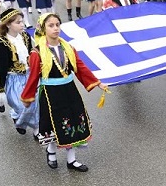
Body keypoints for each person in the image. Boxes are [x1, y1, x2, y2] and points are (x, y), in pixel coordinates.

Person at [21, 13, 107, 171]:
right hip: (50, 93)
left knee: (72, 122)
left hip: (69, 90)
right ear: (43, 29)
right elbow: (33, 76)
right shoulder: (37, 52)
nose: (55, 29)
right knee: (54, 123)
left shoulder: (68, 47)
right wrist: (27, 97)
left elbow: (80, 67)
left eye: (57, 25)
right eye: (51, 25)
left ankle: (71, 160)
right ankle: (51, 151)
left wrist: (97, 83)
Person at [0, 8, 39, 135]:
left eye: (22, 21)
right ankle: (16, 114)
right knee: (21, 105)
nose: (22, 25)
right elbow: (0, 67)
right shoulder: (1, 42)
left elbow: (32, 53)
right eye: (18, 22)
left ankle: (36, 129)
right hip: (14, 78)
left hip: (30, 75)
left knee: (35, 104)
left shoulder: (25, 36)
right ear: (8, 24)